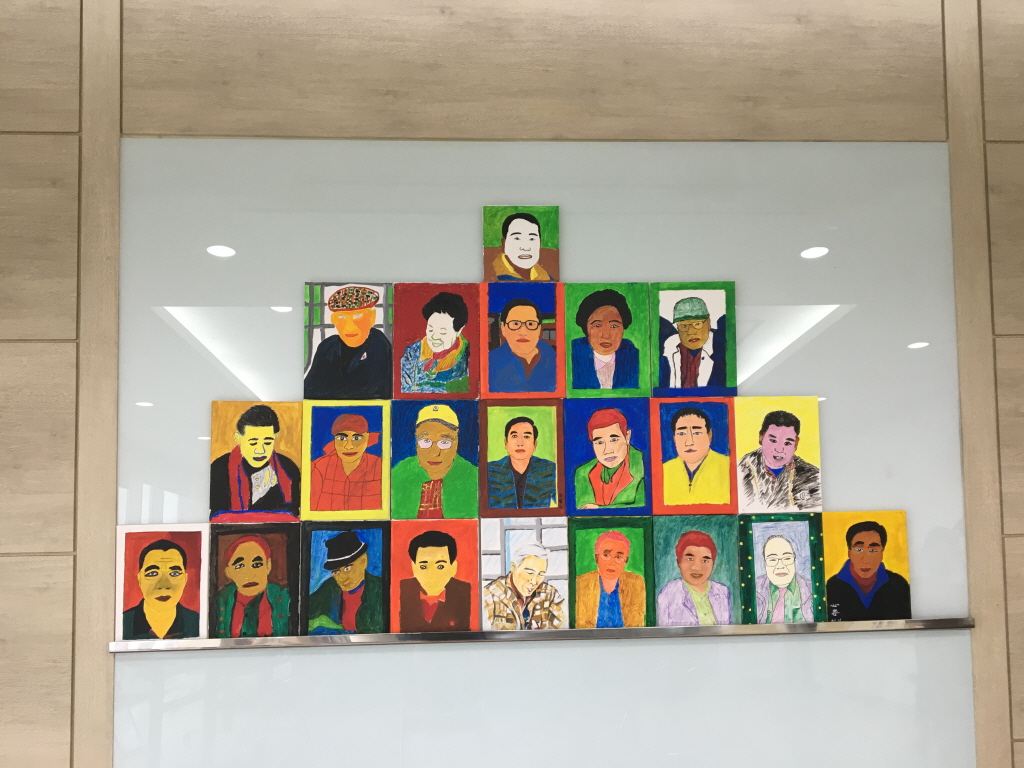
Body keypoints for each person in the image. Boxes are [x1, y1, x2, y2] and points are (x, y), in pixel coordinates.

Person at [209, 404, 301, 521]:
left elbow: (293, 515)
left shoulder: (288, 469)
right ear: (238, 438)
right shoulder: (219, 469)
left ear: (275, 437)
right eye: (253, 443)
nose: (260, 450)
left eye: (267, 442)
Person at [304, 285, 392, 400]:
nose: (350, 327)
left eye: (358, 316)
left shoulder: (379, 345)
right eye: (341, 317)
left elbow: (378, 392)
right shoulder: (327, 347)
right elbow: (309, 392)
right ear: (333, 320)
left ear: (372, 317)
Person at [391, 404, 477, 519]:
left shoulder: (473, 477)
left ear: (456, 442)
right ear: (416, 441)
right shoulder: (399, 474)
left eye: (444, 442)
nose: (434, 453)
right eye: (425, 441)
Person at [826, 522, 911, 621]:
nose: (866, 559)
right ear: (849, 553)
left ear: (882, 554)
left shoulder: (898, 585)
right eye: (859, 549)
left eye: (873, 550)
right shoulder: (832, 587)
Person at [738, 410, 821, 511]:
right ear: (761, 437)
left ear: (796, 443)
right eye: (773, 440)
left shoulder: (812, 476)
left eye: (787, 443)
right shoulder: (740, 470)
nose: (779, 449)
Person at [307, 530, 384, 634]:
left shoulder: (380, 590)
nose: (342, 578)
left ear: (363, 561)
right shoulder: (330, 586)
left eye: (347, 568)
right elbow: (305, 609)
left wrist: (337, 627)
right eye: (336, 572)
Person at [122, 539, 200, 640]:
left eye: (174, 574)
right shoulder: (122, 623)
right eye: (152, 573)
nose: (163, 585)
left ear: (185, 579)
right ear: (140, 579)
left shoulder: (198, 623)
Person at [214, 535, 291, 637]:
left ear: (268, 566)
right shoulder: (219, 601)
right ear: (228, 572)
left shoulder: (285, 598)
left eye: (257, 565)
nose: (249, 575)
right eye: (239, 566)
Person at [398, 530, 472, 632]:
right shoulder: (401, 591)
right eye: (423, 566)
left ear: (453, 568)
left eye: (440, 566)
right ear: (413, 567)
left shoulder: (466, 593)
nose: (431, 574)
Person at [483, 541, 566, 630]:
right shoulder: (490, 595)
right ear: (513, 567)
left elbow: (564, 627)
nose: (534, 581)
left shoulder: (551, 595)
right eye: (529, 572)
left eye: (541, 574)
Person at [400, 292, 471, 394]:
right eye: (430, 329)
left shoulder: (468, 357)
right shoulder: (412, 353)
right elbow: (403, 390)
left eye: (442, 332)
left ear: (459, 331)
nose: (434, 337)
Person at [656, 531, 732, 626]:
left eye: (705, 560)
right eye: (690, 559)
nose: (697, 567)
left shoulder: (722, 592)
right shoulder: (669, 594)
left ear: (713, 563)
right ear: (679, 562)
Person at [309, 413, 383, 511]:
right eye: (342, 438)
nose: (349, 446)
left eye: (356, 438)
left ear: (367, 438)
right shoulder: (318, 468)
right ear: (334, 440)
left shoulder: (380, 466)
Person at [574, 408, 645, 509]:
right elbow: (582, 511)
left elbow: (643, 508)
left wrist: (599, 509)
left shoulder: (645, 466)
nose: (607, 451)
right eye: (599, 442)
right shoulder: (583, 473)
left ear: (627, 437)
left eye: (614, 440)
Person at [570, 289, 640, 390]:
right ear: (586, 328)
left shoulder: (633, 356)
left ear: (623, 328)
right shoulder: (572, 354)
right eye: (597, 325)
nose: (606, 336)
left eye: (614, 326)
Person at [575, 530, 646, 628]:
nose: (612, 563)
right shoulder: (581, 584)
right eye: (606, 555)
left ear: (625, 561)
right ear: (596, 558)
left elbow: (636, 625)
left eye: (618, 557)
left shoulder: (636, 584)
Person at [661, 407, 730, 505]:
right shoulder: (663, 471)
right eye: (681, 433)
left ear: (709, 435)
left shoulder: (729, 467)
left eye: (697, 433)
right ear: (675, 438)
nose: (689, 442)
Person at [488, 298, 557, 393]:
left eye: (531, 324)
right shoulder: (489, 362)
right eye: (515, 323)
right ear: (503, 328)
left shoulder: (555, 359)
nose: (523, 332)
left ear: (539, 329)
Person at [487, 416, 558, 509]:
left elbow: (562, 504)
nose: (520, 443)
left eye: (526, 436)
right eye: (514, 436)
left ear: (535, 444)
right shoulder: (489, 471)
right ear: (506, 443)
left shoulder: (550, 470)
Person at [659, 296, 726, 390]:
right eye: (683, 326)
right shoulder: (669, 348)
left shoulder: (722, 349)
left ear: (708, 323)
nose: (690, 332)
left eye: (697, 324)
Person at [755, 534, 814, 624]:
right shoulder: (754, 589)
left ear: (794, 559)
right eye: (772, 560)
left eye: (787, 558)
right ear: (764, 562)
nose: (780, 566)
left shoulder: (811, 589)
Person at [490, 212, 553, 282]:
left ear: (539, 243)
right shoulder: (492, 275)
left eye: (532, 239)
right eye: (517, 238)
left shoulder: (547, 279)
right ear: (504, 243)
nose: (525, 248)